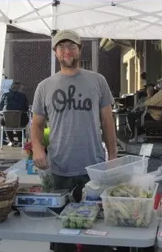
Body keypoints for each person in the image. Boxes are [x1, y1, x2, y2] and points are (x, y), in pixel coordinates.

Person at [31, 29, 117, 252]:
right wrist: (38, 149)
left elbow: (108, 121)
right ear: (55, 53)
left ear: (80, 49)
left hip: (94, 168)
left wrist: (113, 157)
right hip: (59, 169)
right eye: (61, 47)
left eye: (71, 46)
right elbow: (37, 125)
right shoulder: (44, 86)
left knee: (97, 234)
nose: (66, 51)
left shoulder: (98, 81)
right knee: (63, 234)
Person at [128, 78, 162, 143]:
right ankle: (142, 134)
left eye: (159, 83)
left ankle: (139, 136)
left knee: (131, 115)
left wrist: (139, 106)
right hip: (156, 113)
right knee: (136, 114)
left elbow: (151, 102)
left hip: (154, 115)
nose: (158, 84)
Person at [0, 81, 29, 146]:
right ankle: (20, 141)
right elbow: (26, 109)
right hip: (20, 121)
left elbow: (0, 109)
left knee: (5, 122)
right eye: (22, 89)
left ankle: (11, 141)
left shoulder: (5, 95)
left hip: (7, 121)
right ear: (19, 88)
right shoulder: (23, 96)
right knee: (21, 119)